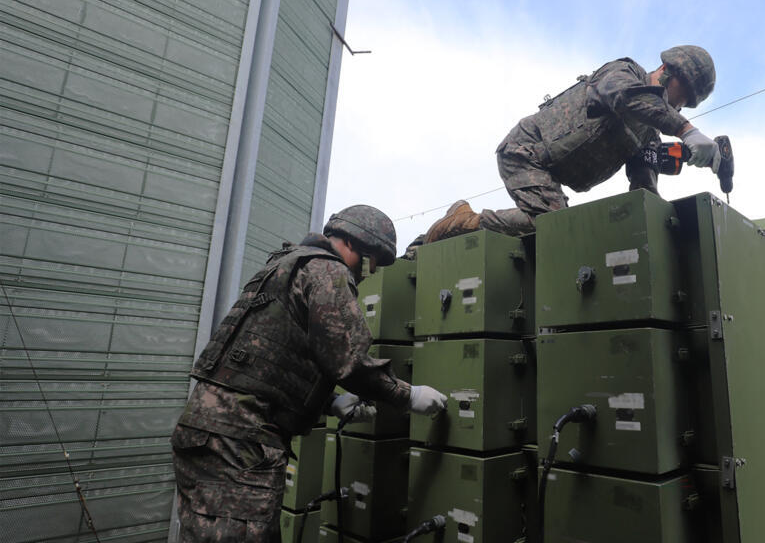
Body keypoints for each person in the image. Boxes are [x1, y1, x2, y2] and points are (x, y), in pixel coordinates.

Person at [170, 205, 447, 542]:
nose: (370, 271)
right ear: (353, 243)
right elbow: (350, 360)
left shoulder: (284, 266)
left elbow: (264, 359)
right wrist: (409, 395)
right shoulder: (326, 270)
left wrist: (329, 403)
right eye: (371, 259)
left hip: (208, 434)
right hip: (240, 443)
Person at [425, 45, 719, 242]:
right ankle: (464, 221)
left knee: (560, 229)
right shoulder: (623, 74)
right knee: (552, 225)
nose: (681, 104)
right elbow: (626, 98)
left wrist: (652, 226)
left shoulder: (648, 133)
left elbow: (644, 185)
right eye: (685, 91)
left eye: (688, 104)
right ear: (667, 69)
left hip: (551, 173)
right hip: (526, 151)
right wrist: (686, 130)